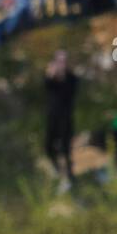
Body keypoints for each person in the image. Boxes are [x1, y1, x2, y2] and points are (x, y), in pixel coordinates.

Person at [44, 50, 78, 190]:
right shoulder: (51, 78)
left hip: (66, 118)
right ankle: (58, 171)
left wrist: (62, 76)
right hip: (52, 118)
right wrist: (51, 75)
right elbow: (46, 87)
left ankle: (69, 177)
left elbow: (70, 93)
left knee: (66, 149)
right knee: (48, 146)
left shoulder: (72, 78)